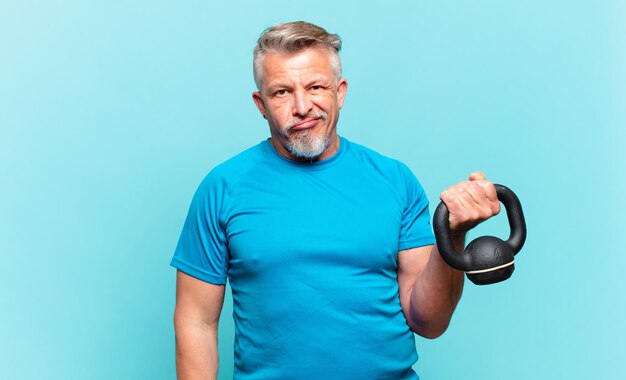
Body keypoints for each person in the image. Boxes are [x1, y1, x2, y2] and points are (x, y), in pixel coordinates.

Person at [171, 21, 501, 380]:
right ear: (261, 103)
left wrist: (452, 237)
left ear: (339, 92)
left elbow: (430, 321)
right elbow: (196, 322)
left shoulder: (394, 179)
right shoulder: (223, 187)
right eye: (281, 92)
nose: (302, 106)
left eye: (315, 87)